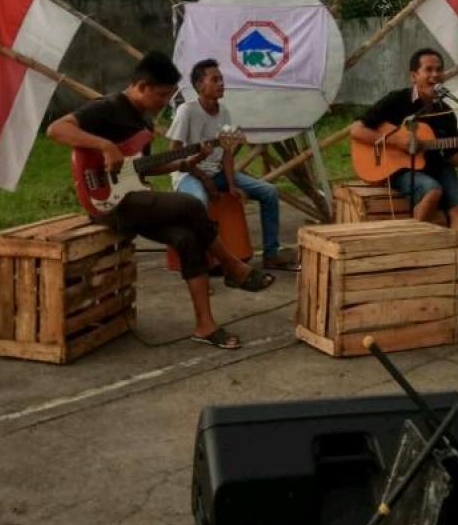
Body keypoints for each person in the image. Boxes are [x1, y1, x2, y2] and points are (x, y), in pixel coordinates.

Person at [47, 50, 274, 351]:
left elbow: (144, 166)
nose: (165, 102)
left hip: (132, 195)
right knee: (191, 204)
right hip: (107, 203)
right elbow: (56, 129)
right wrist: (104, 145)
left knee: (187, 238)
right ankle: (232, 266)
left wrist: (188, 161)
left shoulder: (144, 120)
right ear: (142, 86)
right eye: (162, 95)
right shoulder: (108, 107)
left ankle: (205, 325)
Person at [350, 47, 458, 296]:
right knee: (432, 190)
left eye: (439, 69)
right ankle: (407, 252)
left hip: (436, 164)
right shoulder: (397, 100)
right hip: (399, 167)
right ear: (413, 75)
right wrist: (397, 142)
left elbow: (453, 156)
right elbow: (357, 130)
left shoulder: (447, 111)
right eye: (428, 69)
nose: (435, 74)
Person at [167, 59, 299, 270]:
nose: (221, 84)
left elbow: (227, 153)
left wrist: (231, 184)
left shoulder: (224, 112)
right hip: (188, 174)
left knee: (269, 192)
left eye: (222, 79)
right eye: (215, 79)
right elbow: (173, 153)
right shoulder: (186, 111)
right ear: (200, 85)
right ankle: (199, 267)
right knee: (199, 203)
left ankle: (271, 253)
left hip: (217, 173)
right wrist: (202, 177)